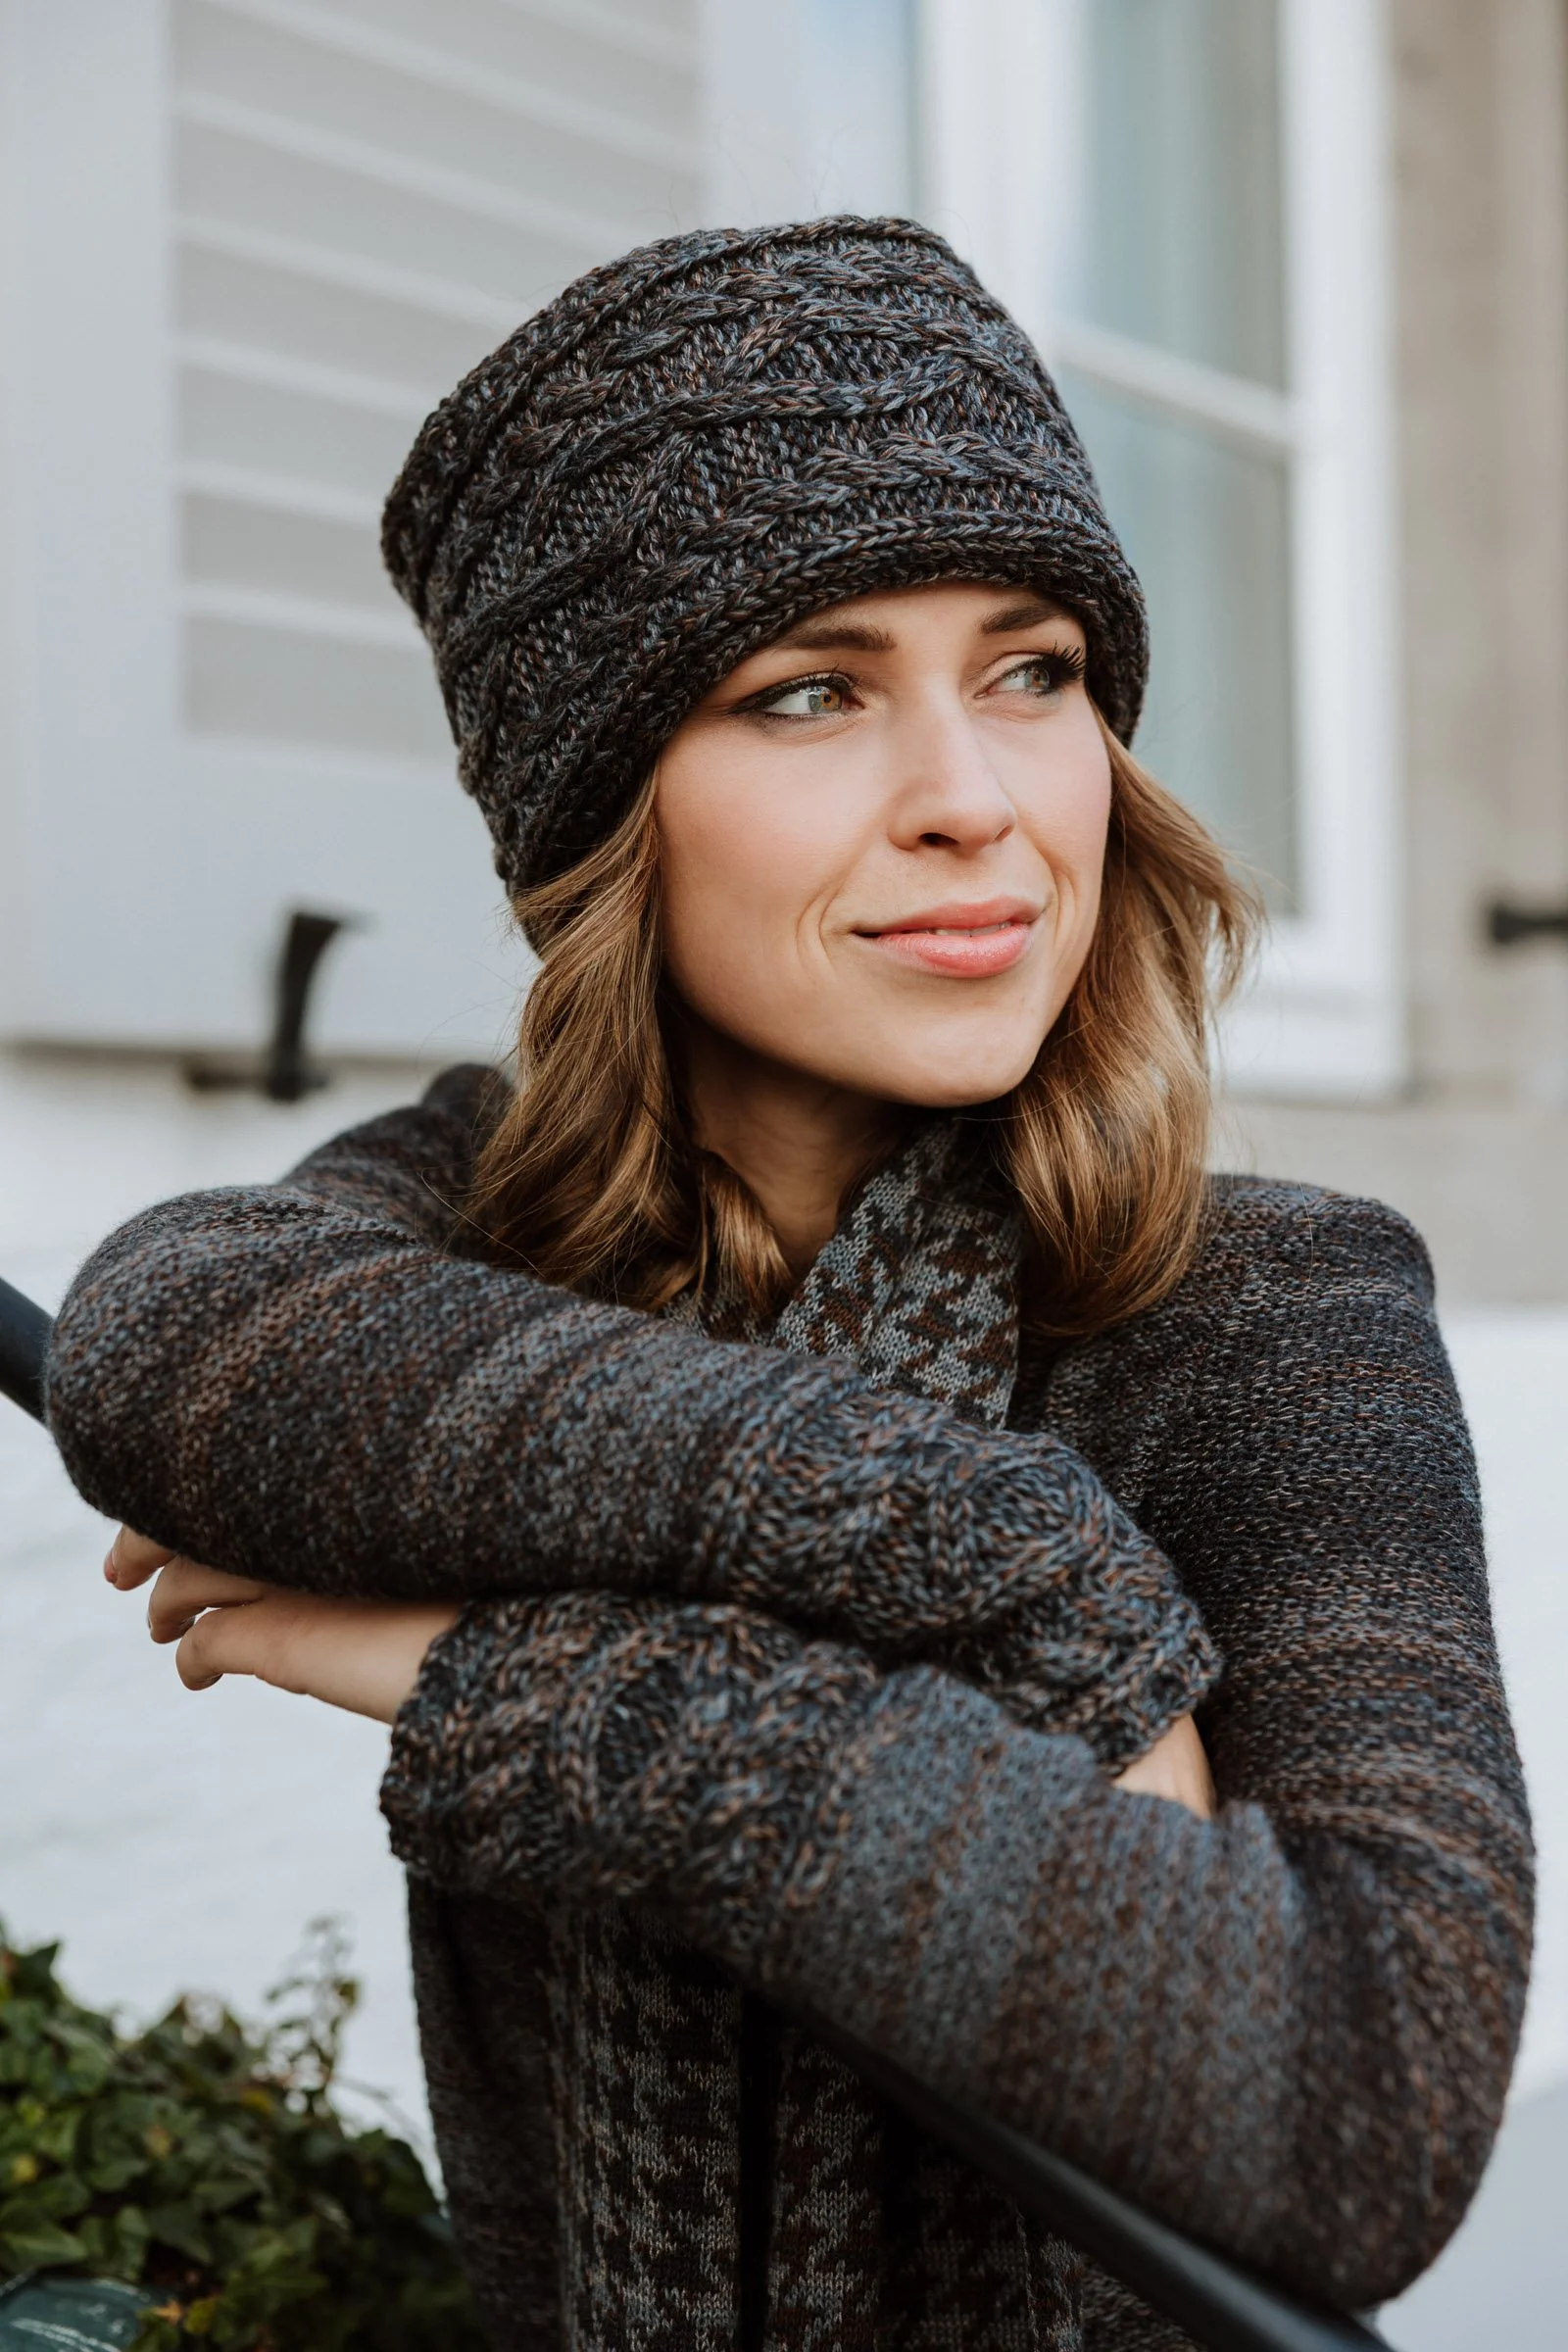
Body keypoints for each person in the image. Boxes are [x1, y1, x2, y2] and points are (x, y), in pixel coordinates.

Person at [47, 220, 1531, 2352]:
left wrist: (553, 1693)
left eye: (1030, 670)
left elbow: (1348, 2105)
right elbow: (161, 1337)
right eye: (810, 691)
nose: (974, 802)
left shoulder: (1264, 1317)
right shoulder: (494, 1218)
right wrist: (1013, 1565)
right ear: (601, 810)